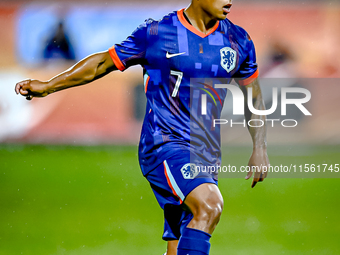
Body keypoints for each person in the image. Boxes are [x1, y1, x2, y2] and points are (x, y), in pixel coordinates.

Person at [15, 0, 269, 254]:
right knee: (209, 206)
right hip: (164, 145)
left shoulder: (238, 41)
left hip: (206, 153)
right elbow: (103, 62)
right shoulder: (157, 33)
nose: (229, 0)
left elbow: (254, 97)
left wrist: (259, 146)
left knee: (179, 243)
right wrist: (48, 86)